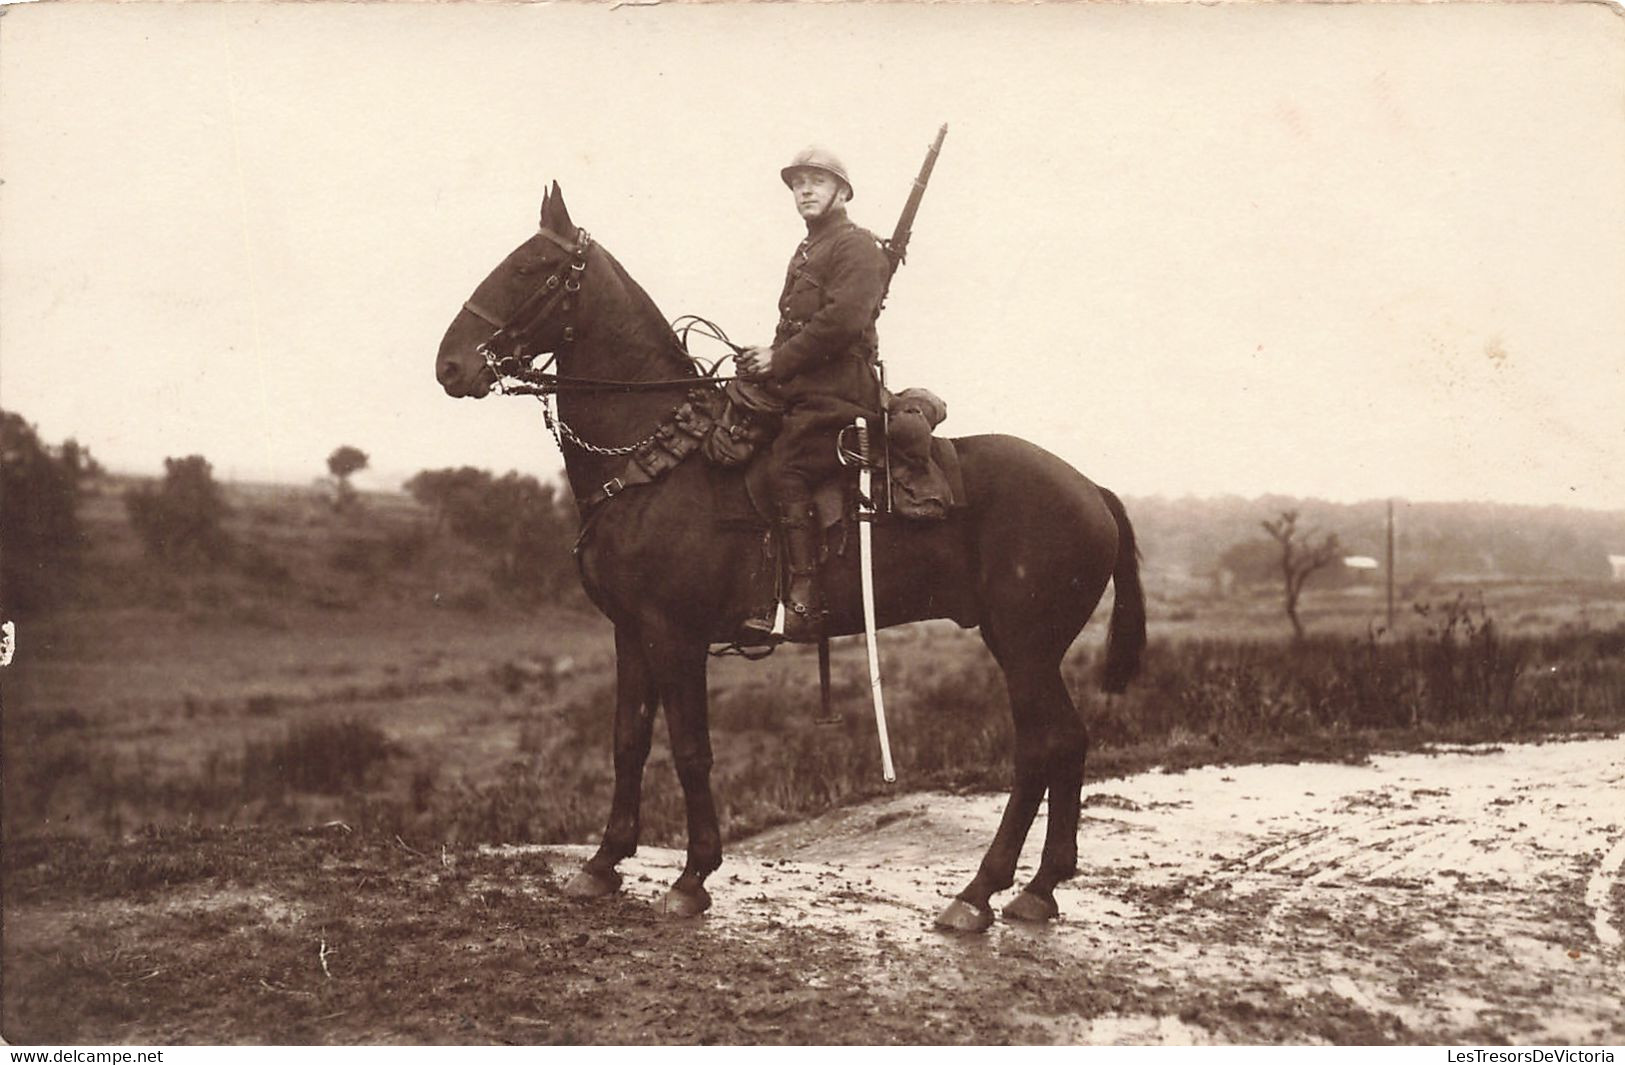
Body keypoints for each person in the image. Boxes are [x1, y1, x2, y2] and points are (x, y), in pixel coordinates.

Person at [738, 147, 890, 642]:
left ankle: (803, 596)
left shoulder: (856, 246)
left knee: (787, 465)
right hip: (806, 388)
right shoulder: (808, 250)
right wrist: (763, 361)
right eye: (799, 182)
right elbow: (797, 327)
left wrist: (779, 360)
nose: (805, 190)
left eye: (817, 182)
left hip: (841, 393)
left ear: (842, 192)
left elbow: (842, 322)